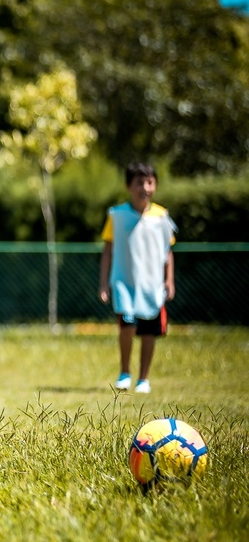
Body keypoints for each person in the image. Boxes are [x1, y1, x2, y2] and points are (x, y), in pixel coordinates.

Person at [98, 161, 176, 394]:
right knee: (127, 326)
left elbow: (167, 252)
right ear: (129, 186)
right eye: (140, 182)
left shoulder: (162, 216)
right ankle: (125, 372)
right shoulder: (117, 215)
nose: (145, 187)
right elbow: (108, 249)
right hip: (125, 282)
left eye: (150, 182)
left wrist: (169, 280)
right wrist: (104, 283)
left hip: (152, 285)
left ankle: (144, 378)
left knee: (149, 331)